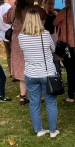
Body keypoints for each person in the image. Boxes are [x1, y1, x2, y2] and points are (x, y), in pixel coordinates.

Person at [18, 9, 59, 138]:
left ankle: (39, 130)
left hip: (30, 74)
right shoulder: (45, 34)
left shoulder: (21, 36)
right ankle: (53, 131)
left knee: (34, 103)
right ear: (39, 21)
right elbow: (53, 49)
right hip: (47, 73)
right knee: (51, 103)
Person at [3, 0, 47, 105]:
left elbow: (5, 18)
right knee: (33, 68)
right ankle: (35, 96)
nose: (34, 0)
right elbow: (44, 14)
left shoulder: (14, 9)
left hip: (17, 42)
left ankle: (22, 97)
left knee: (22, 69)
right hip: (32, 40)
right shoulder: (34, 9)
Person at [43, 0, 62, 78]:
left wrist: (58, 16)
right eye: (49, 4)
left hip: (55, 40)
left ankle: (58, 80)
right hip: (46, 41)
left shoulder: (57, 12)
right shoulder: (42, 15)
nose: (51, 6)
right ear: (44, 4)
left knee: (56, 62)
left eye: (52, 4)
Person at [0, 0, 16, 80]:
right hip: (12, 34)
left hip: (3, 34)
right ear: (9, 0)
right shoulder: (11, 9)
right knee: (15, 54)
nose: (15, 0)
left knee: (9, 55)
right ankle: (16, 73)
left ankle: (12, 73)